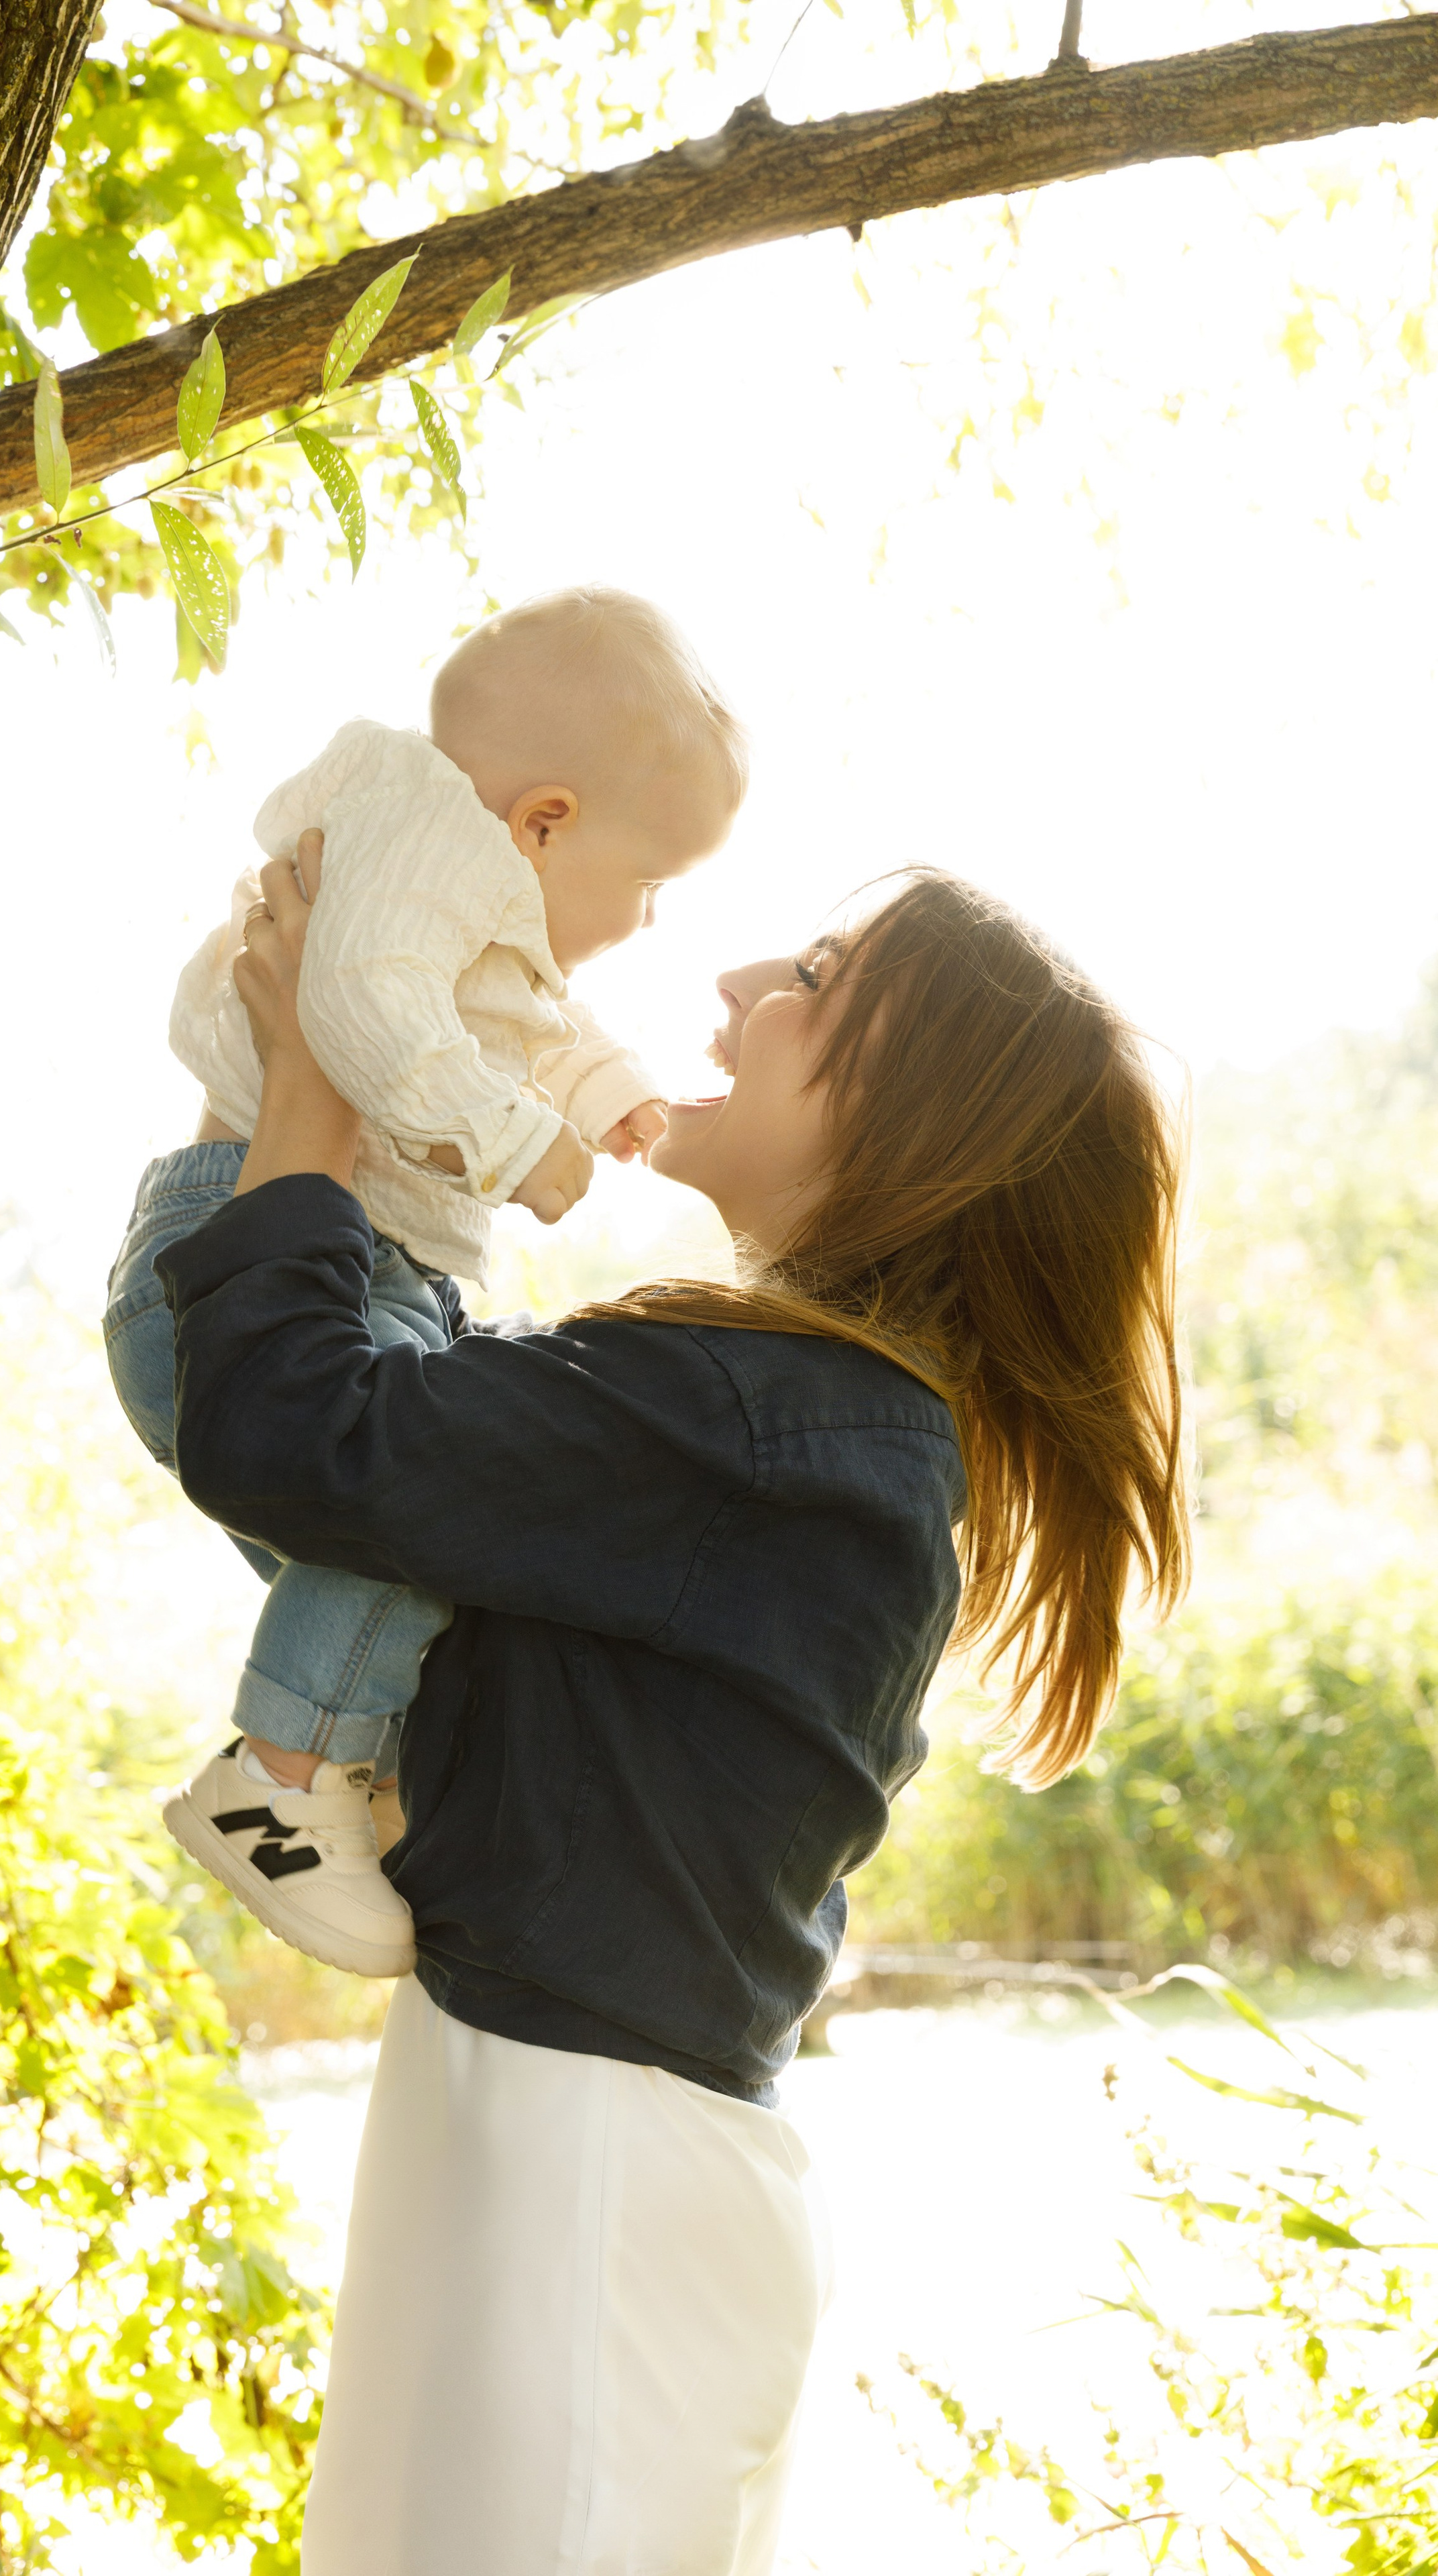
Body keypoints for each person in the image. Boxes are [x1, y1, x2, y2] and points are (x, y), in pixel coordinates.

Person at [153, 847, 1188, 2574]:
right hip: (556, 2137)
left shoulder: (760, 1423)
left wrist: (318, 1096)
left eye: (816, 983)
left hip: (583, 2173)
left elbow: (292, 1432)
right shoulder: (802, 1431)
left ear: (917, 1123)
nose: (731, 989)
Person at [103, 588, 746, 1979]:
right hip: (270, 1242)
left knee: (419, 1565)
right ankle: (283, 1781)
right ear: (545, 821)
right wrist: (518, 1140)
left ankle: (363, 1751)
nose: (646, 923)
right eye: (652, 886)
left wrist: (601, 1084)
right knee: (424, 1526)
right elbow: (362, 1007)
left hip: (328, 1259)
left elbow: (504, 1014)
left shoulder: (459, 883)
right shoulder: (419, 850)